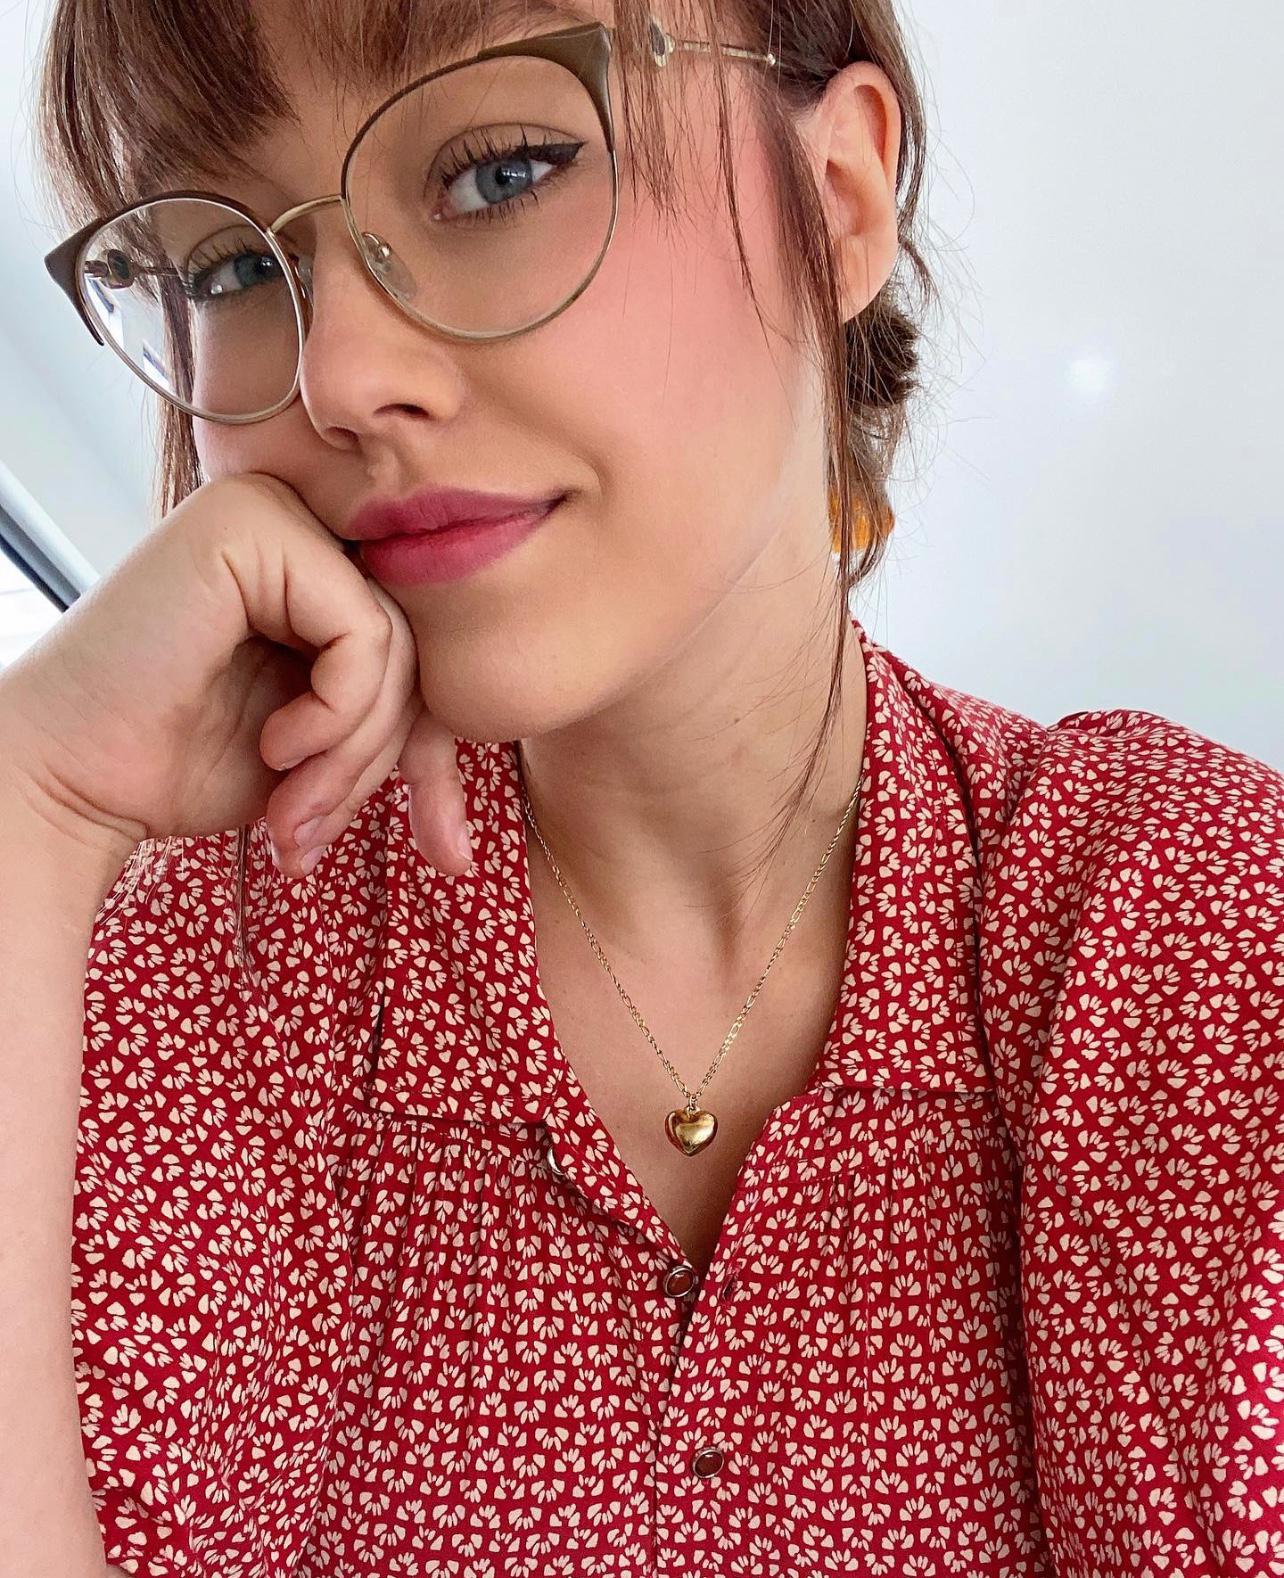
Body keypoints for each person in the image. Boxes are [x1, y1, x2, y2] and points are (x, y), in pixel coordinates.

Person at [1, 0, 1280, 1574]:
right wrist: (28, 805)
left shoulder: (1183, 923)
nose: (338, 373)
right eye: (227, 269)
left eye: (498, 171)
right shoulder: (170, 978)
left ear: (836, 201)